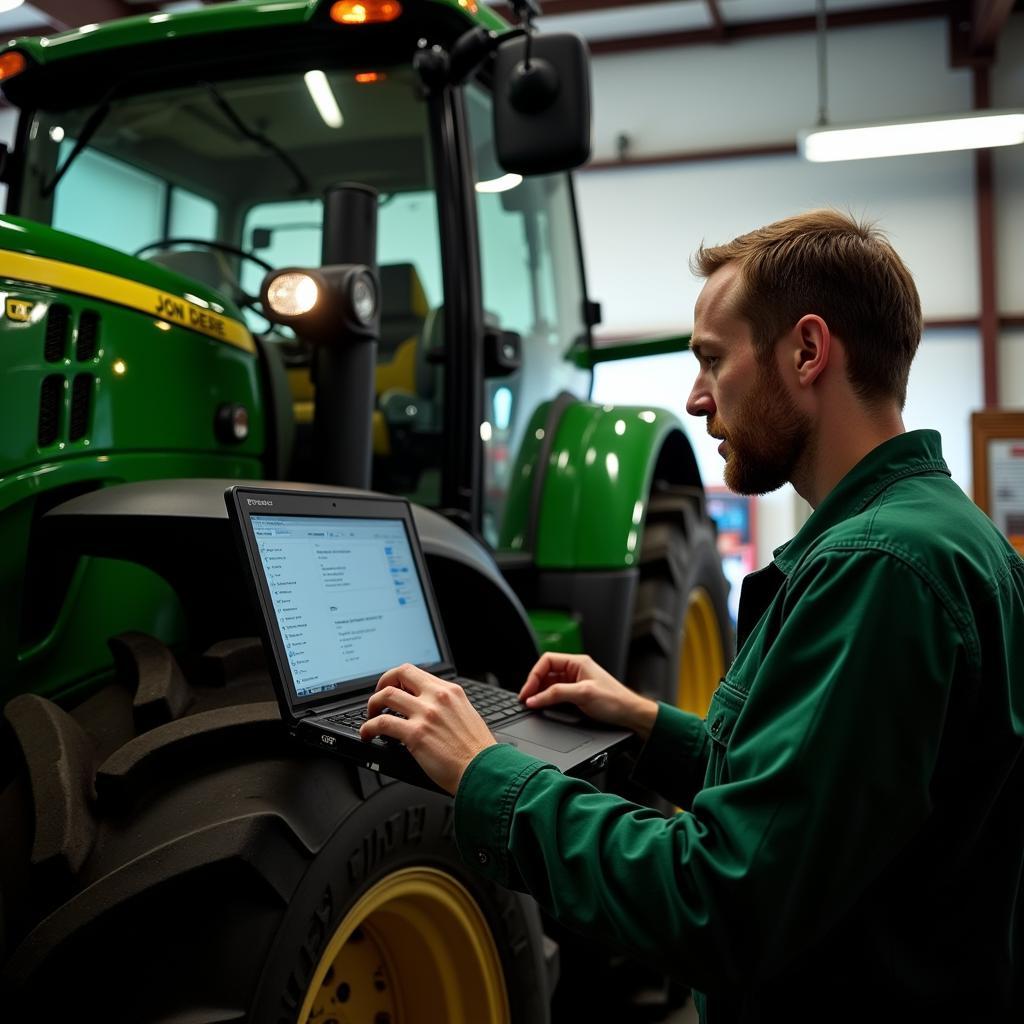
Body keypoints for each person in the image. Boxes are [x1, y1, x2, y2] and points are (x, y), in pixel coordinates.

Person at [360, 210, 1024, 1021]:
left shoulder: (877, 569)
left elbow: (722, 900)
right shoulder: (938, 532)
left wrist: (486, 774)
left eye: (713, 359)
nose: (697, 397)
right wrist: (643, 725)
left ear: (808, 352)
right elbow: (823, 795)